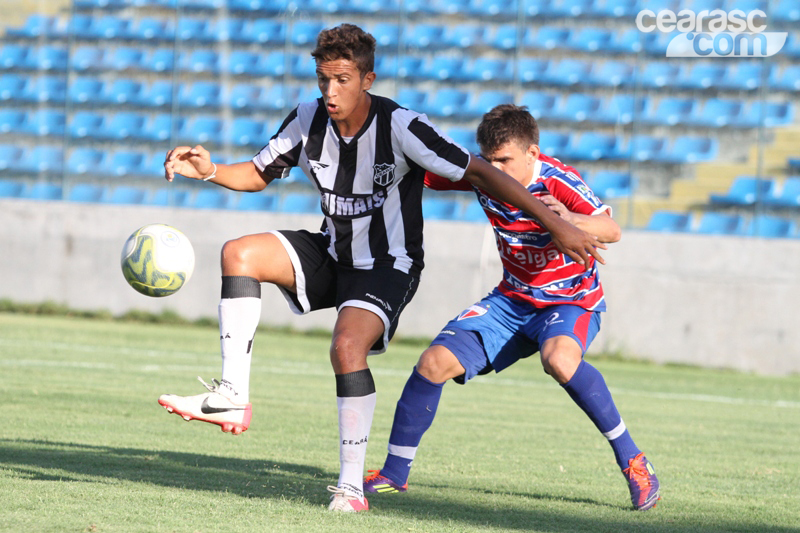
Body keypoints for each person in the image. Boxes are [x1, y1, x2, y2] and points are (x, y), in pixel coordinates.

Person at [157, 25, 606, 513]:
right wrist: (211, 170)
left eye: (343, 79)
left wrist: (556, 224)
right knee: (237, 252)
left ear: (367, 79)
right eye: (323, 79)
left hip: (389, 265)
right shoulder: (306, 120)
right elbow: (259, 173)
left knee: (347, 346)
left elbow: (480, 170)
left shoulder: (402, 126)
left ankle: (351, 489)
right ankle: (231, 393)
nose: (330, 91)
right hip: (333, 251)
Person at [363, 104, 660, 511]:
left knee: (559, 359)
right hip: (512, 300)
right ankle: (394, 474)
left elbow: (612, 229)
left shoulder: (558, 181)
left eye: (505, 160)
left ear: (532, 154)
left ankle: (634, 462)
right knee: (433, 363)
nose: (496, 169)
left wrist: (570, 219)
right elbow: (429, 169)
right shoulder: (486, 177)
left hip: (569, 300)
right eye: (490, 160)